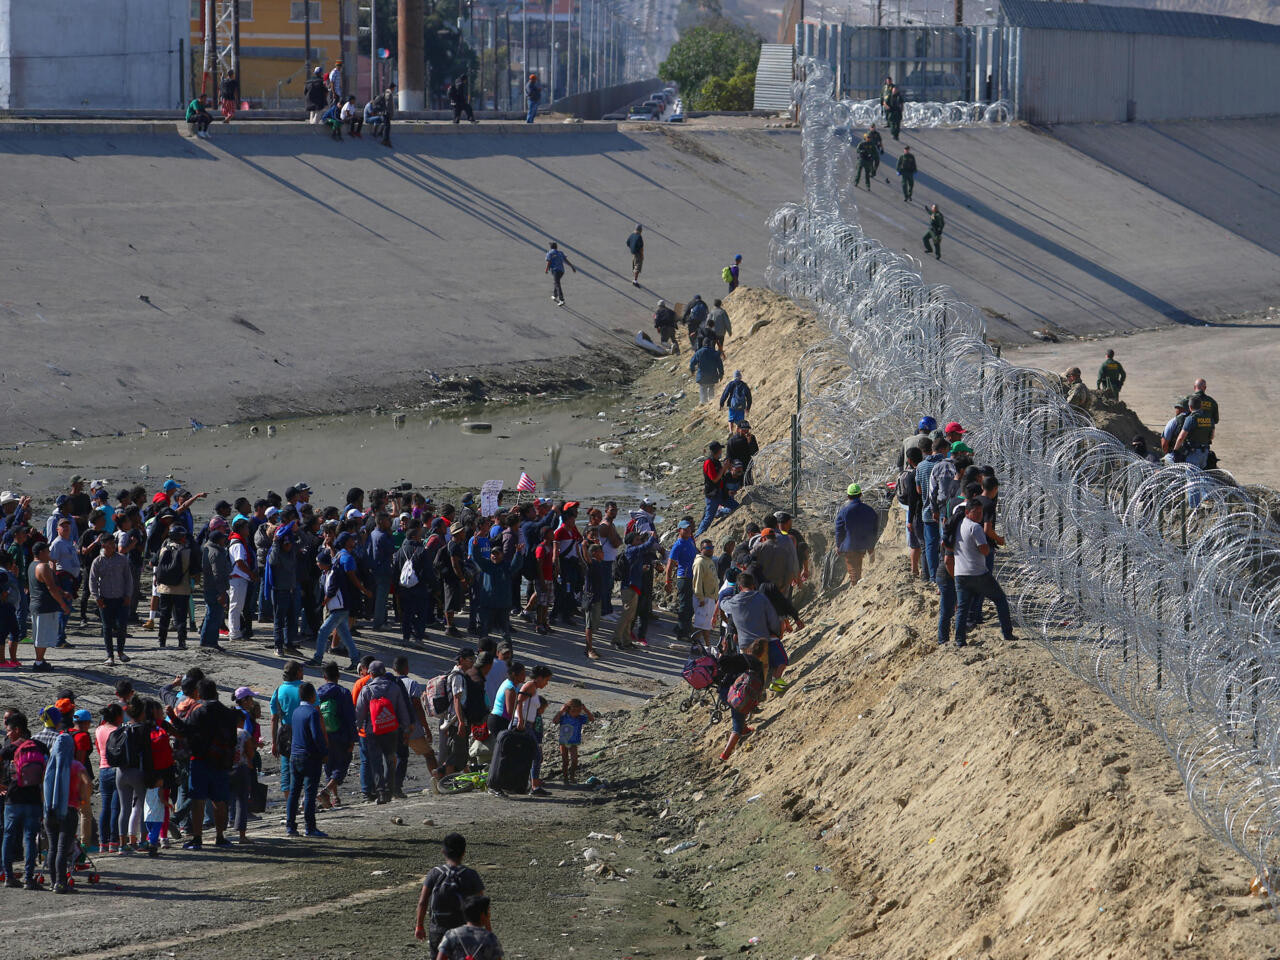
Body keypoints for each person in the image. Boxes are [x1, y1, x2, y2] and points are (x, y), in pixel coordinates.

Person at [165, 679, 239, 849]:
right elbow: (233, 740)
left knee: (197, 800)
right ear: (216, 692)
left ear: (199, 693)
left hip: (200, 761)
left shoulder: (198, 711)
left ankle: (197, 838)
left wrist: (172, 718)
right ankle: (220, 837)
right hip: (221, 762)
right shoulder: (228, 712)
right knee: (220, 802)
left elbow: (185, 732)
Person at [950, 498, 1017, 647]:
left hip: (960, 573)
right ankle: (1007, 633)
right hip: (978, 573)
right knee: (1000, 599)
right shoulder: (975, 528)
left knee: (962, 607)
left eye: (981, 512)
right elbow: (985, 550)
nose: (980, 515)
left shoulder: (957, 524)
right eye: (976, 512)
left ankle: (959, 640)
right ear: (967, 512)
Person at [414, 832, 486, 953]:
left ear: (443, 851)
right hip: (464, 930)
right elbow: (481, 905)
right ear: (464, 852)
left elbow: (422, 902)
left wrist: (419, 925)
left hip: (438, 929)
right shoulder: (471, 875)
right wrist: (486, 930)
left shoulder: (434, 873)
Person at [355, 660, 412, 804]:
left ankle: (380, 792)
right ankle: (389, 790)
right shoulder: (394, 687)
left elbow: (360, 712)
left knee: (376, 761)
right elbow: (402, 709)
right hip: (391, 729)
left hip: (372, 730)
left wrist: (358, 726)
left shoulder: (367, 690)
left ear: (371, 674)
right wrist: (405, 727)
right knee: (390, 759)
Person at [2, 711, 47, 889]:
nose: (7, 734)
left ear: (18, 730)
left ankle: (9, 876)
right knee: (29, 838)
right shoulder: (40, 746)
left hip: (13, 798)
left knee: (9, 836)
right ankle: (29, 878)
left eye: (9, 730)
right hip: (34, 798)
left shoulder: (11, 748)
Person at [284, 682, 329, 838]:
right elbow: (317, 736)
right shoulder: (312, 713)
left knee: (294, 792)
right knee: (310, 792)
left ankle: (290, 826)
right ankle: (310, 828)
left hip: (294, 756)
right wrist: (324, 752)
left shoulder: (296, 712)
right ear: (313, 695)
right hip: (309, 757)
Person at [89, 532, 133, 666]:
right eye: (110, 544)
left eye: (114, 543)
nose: (113, 546)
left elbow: (128, 579)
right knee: (107, 628)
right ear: (103, 545)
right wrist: (96, 597)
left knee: (122, 626)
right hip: (105, 600)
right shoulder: (97, 561)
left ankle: (121, 652)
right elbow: (92, 581)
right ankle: (110, 655)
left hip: (121, 599)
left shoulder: (122, 559)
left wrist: (128, 595)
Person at [29, 540, 69, 672]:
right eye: (47, 551)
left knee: (39, 635)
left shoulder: (32, 565)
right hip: (44, 606)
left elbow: (48, 584)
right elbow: (51, 587)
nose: (49, 554)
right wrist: (63, 605)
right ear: (41, 553)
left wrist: (62, 593)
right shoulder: (42, 566)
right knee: (42, 636)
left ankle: (40, 659)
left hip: (36, 604)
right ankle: (39, 662)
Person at [154, 526, 193, 649]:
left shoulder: (163, 550)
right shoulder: (187, 551)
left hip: (164, 588)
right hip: (182, 588)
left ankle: (162, 641)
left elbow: (154, 563)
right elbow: (194, 570)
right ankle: (181, 642)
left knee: (164, 615)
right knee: (181, 617)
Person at [835, 483, 878, 587]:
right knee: (857, 567)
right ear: (861, 495)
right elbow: (874, 530)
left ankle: (856, 589)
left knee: (854, 573)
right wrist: (871, 547)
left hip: (850, 546)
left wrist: (838, 545)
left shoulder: (844, 512)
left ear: (848, 496)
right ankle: (858, 586)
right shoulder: (870, 510)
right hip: (864, 544)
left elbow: (839, 530)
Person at [436, 895, 504, 960]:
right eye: (488, 911)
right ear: (482, 915)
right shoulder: (491, 938)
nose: (489, 915)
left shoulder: (451, 935)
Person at [690, 337, 724, 406]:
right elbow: (720, 364)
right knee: (711, 388)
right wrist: (721, 374)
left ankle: (703, 403)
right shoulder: (714, 352)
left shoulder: (699, 352)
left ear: (703, 344)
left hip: (702, 376)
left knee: (703, 389)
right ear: (710, 344)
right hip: (712, 376)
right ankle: (711, 403)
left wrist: (692, 370)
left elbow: (692, 362)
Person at [544, 241, 577, 306]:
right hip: (561, 271)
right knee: (556, 282)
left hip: (555, 271)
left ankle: (562, 300)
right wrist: (572, 266)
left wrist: (546, 269)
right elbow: (566, 260)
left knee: (557, 283)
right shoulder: (560, 253)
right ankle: (554, 295)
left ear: (551, 247)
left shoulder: (550, 253)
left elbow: (548, 262)